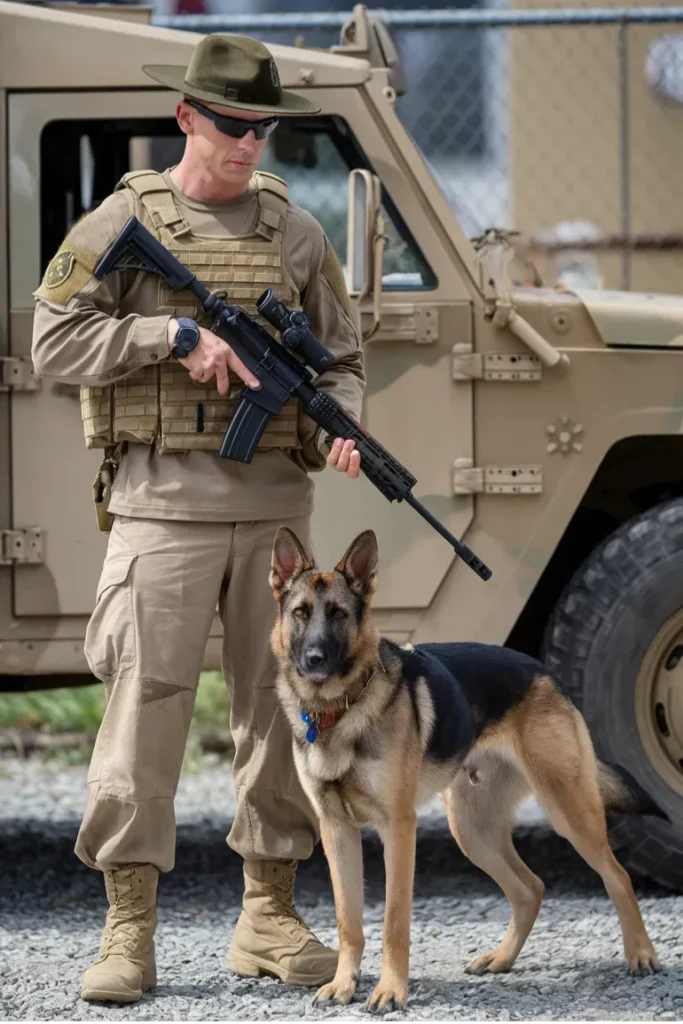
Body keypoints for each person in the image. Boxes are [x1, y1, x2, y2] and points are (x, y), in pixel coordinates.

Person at [30, 32, 365, 1005]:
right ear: (186, 117)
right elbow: (53, 336)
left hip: (275, 517)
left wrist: (345, 429)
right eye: (230, 124)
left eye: (261, 126)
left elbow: (339, 357)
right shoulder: (119, 219)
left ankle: (267, 918)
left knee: (279, 718)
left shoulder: (294, 232)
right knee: (145, 717)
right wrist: (170, 334)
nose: (248, 143)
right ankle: (128, 929)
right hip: (160, 512)